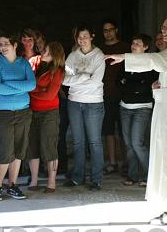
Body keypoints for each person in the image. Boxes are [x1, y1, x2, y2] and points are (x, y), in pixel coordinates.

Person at [105, 15, 167, 225]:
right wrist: (161, 85)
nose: (163, 29)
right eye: (163, 25)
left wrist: (125, 57)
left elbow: (156, 60)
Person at [0, 32, 36, 201]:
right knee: (4, 151)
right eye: (1, 44)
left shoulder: (24, 63)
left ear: (15, 45)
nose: (3, 47)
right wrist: (20, 87)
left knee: (18, 150)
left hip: (23, 112)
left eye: (6, 43)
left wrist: (8, 83)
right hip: (2, 113)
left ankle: (12, 185)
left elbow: (31, 84)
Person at [63, 24, 106, 190]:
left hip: (94, 103)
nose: (82, 40)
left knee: (94, 142)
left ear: (92, 36)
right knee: (78, 142)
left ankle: (96, 179)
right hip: (74, 101)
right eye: (80, 37)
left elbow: (96, 81)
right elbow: (64, 80)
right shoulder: (73, 56)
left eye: (85, 36)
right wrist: (85, 76)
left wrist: (77, 78)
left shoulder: (98, 56)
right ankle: (77, 177)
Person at [119, 35, 158, 187]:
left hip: (142, 107)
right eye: (133, 42)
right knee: (129, 144)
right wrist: (137, 87)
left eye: (138, 43)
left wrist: (131, 86)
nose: (133, 45)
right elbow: (119, 82)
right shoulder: (126, 61)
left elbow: (148, 86)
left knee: (137, 143)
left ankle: (151, 176)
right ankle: (133, 176)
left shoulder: (151, 63)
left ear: (146, 47)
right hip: (125, 106)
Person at [27, 42, 65, 193]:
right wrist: (39, 88)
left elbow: (50, 95)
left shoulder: (58, 70)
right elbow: (28, 84)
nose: (43, 54)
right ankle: (34, 180)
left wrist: (32, 90)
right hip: (31, 111)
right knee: (32, 146)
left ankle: (51, 181)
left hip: (50, 112)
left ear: (55, 56)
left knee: (49, 146)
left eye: (48, 53)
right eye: (44, 51)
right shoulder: (34, 62)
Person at [99, 19, 131, 176]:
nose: (108, 33)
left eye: (111, 29)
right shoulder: (99, 50)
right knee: (108, 130)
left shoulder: (125, 48)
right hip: (105, 94)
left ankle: (126, 162)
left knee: (124, 130)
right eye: (105, 30)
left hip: (124, 94)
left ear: (116, 30)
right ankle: (112, 163)